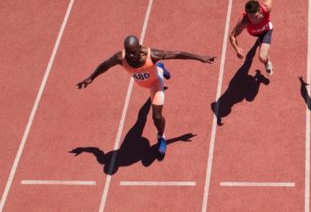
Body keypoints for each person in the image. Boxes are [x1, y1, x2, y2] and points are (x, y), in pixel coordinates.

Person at [77, 35, 215, 154]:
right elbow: (104, 66)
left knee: (156, 117)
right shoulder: (120, 58)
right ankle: (160, 69)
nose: (131, 56)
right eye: (128, 52)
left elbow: (177, 54)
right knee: (140, 120)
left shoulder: (152, 55)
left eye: (134, 52)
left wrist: (200, 57)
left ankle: (161, 137)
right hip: (142, 83)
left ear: (140, 48)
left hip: (155, 83)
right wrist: (91, 78)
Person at [229, 0, 287, 76]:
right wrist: (236, 48)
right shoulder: (244, 21)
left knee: (262, 57)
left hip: (266, 31)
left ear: (259, 10)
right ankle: (259, 42)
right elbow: (232, 35)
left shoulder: (266, 8)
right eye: (249, 16)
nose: (252, 19)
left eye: (254, 16)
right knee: (254, 50)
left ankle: (267, 62)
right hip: (254, 33)